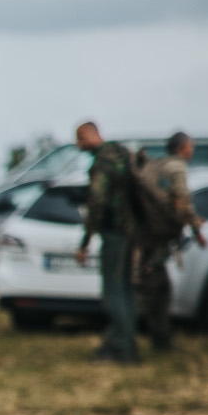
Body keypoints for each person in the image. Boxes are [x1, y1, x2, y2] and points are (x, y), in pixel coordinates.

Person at [131, 132, 207, 353]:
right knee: (153, 290)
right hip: (157, 239)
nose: (191, 151)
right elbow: (183, 201)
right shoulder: (177, 167)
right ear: (183, 148)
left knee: (156, 287)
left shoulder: (159, 166)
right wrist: (195, 227)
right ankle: (131, 339)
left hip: (148, 236)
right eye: (190, 146)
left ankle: (158, 340)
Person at [73, 121, 138, 362]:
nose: (78, 144)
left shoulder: (102, 163)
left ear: (93, 134)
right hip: (132, 232)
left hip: (115, 232)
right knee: (127, 290)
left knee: (114, 291)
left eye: (80, 138)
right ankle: (124, 340)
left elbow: (97, 203)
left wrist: (85, 241)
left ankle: (122, 349)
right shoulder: (122, 153)